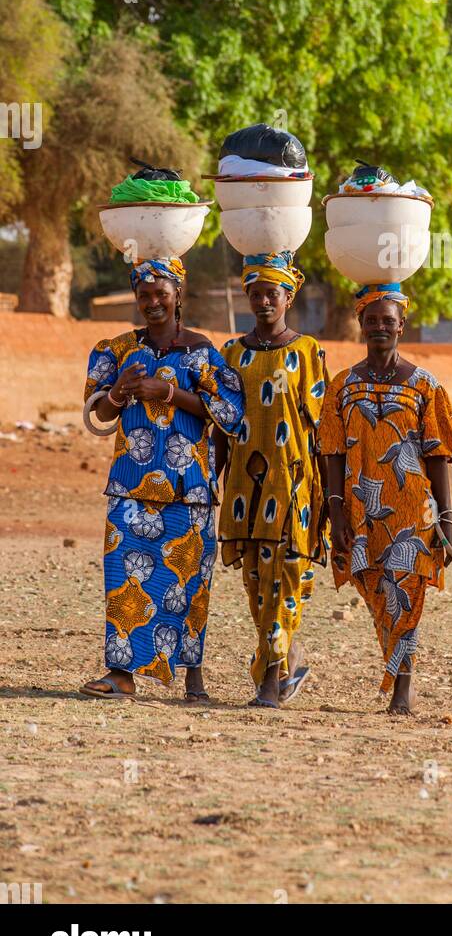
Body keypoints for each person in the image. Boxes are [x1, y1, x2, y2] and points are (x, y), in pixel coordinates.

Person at [81, 257, 244, 699]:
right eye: (145, 294)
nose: (153, 302)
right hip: (130, 487)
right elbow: (98, 413)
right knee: (123, 577)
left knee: (187, 583)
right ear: (136, 298)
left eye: (161, 293)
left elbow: (230, 413)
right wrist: (118, 392)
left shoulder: (203, 351)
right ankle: (121, 675)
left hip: (188, 488)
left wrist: (167, 392)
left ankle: (193, 678)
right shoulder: (116, 350)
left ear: (178, 295)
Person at [317, 281, 452, 716]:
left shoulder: (424, 385)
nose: (380, 326)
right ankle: (396, 667)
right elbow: (331, 451)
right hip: (360, 511)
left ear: (403, 325)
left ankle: (403, 682)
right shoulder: (343, 385)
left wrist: (446, 521)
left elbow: (438, 454)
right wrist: (336, 510)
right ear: (361, 323)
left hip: (412, 510)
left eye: (389, 320)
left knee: (405, 591)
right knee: (376, 590)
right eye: (372, 319)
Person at [214, 252, 329, 708]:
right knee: (257, 583)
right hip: (245, 484)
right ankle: (286, 660)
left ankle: (271, 680)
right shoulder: (231, 353)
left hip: (293, 481)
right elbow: (224, 422)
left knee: (284, 576)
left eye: (272, 293)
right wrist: (215, 476)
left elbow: (320, 427)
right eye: (256, 293)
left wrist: (328, 494)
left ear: (288, 297)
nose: (264, 301)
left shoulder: (307, 351)